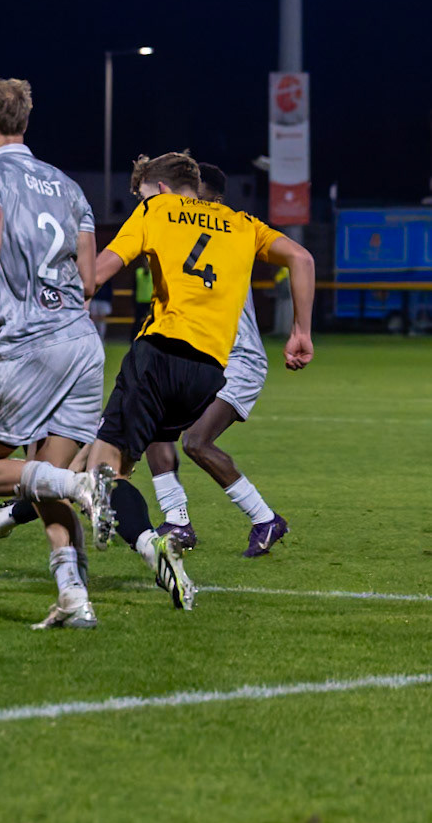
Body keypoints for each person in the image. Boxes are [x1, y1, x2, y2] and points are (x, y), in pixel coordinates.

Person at [77, 151, 314, 611]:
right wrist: (300, 330)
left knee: (102, 474)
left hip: (162, 353)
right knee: (154, 444)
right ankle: (176, 519)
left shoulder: (158, 211)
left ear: (161, 191)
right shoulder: (242, 223)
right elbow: (301, 257)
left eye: (143, 193)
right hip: (209, 369)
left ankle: (146, 547)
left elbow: (94, 278)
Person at [0, 78, 107, 630]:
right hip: (82, 342)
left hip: (33, 346)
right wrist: (1, 298)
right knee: (38, 478)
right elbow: (85, 280)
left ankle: (81, 485)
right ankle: (74, 598)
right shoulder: (69, 187)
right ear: (25, 126)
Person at [141, 162, 288, 555]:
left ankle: (265, 519)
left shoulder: (234, 228)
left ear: (215, 198)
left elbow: (299, 257)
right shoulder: (183, 227)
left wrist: (301, 332)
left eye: (194, 191)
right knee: (155, 426)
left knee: (196, 442)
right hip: (202, 354)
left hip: (238, 358)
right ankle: (178, 522)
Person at [130, 260, 153, 341]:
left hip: (151, 302)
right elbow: (134, 287)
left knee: (150, 322)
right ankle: (133, 339)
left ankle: (148, 339)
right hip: (140, 302)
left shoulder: (154, 272)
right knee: (137, 322)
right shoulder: (138, 272)